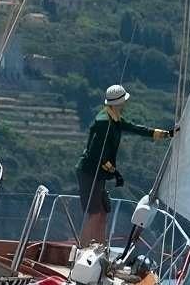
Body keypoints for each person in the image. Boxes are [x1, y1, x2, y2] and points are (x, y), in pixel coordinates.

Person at [75, 84, 174, 245]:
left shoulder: (114, 118)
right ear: (119, 102)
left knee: (103, 212)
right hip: (89, 172)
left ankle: (100, 249)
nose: (125, 104)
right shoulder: (104, 122)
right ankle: (81, 249)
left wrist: (166, 134)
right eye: (124, 101)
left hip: (98, 173)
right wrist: (114, 172)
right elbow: (96, 154)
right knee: (95, 213)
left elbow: (136, 129)